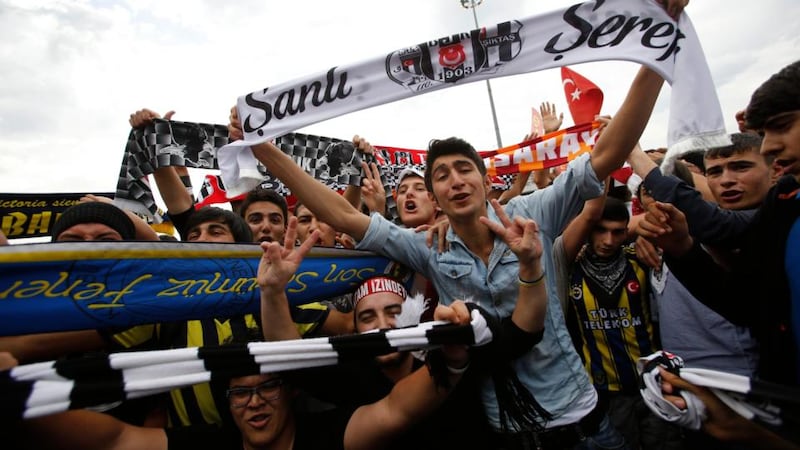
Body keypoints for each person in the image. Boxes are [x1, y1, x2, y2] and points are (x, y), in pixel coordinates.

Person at [230, 63, 667, 447]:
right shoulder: (428, 247)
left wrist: (652, 56)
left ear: (483, 179)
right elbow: (345, 215)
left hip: (581, 422)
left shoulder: (534, 211)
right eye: (441, 174)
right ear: (435, 194)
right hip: (505, 430)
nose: (455, 180)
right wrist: (266, 149)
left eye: (464, 170)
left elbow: (607, 154)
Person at [637, 60, 800, 446]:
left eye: (782, 126)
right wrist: (680, 247)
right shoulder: (786, 204)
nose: (773, 145)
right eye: (716, 171)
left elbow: (715, 225)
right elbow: (744, 303)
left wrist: (638, 159)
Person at [555, 189, 681, 449]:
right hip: (606, 392)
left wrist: (646, 235)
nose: (609, 240)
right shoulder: (568, 269)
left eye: (618, 231)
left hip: (654, 384)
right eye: (600, 230)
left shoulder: (641, 259)